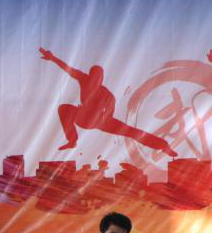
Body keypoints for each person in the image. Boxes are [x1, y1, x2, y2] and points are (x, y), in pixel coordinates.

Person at [38, 48, 177, 158]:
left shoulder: (107, 95)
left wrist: (101, 118)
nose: (95, 80)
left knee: (132, 132)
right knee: (64, 108)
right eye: (93, 76)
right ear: (89, 76)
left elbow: (110, 113)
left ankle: (163, 146)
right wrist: (52, 58)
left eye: (98, 78)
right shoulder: (83, 79)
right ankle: (72, 140)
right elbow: (68, 69)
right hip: (83, 118)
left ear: (102, 79)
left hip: (101, 121)